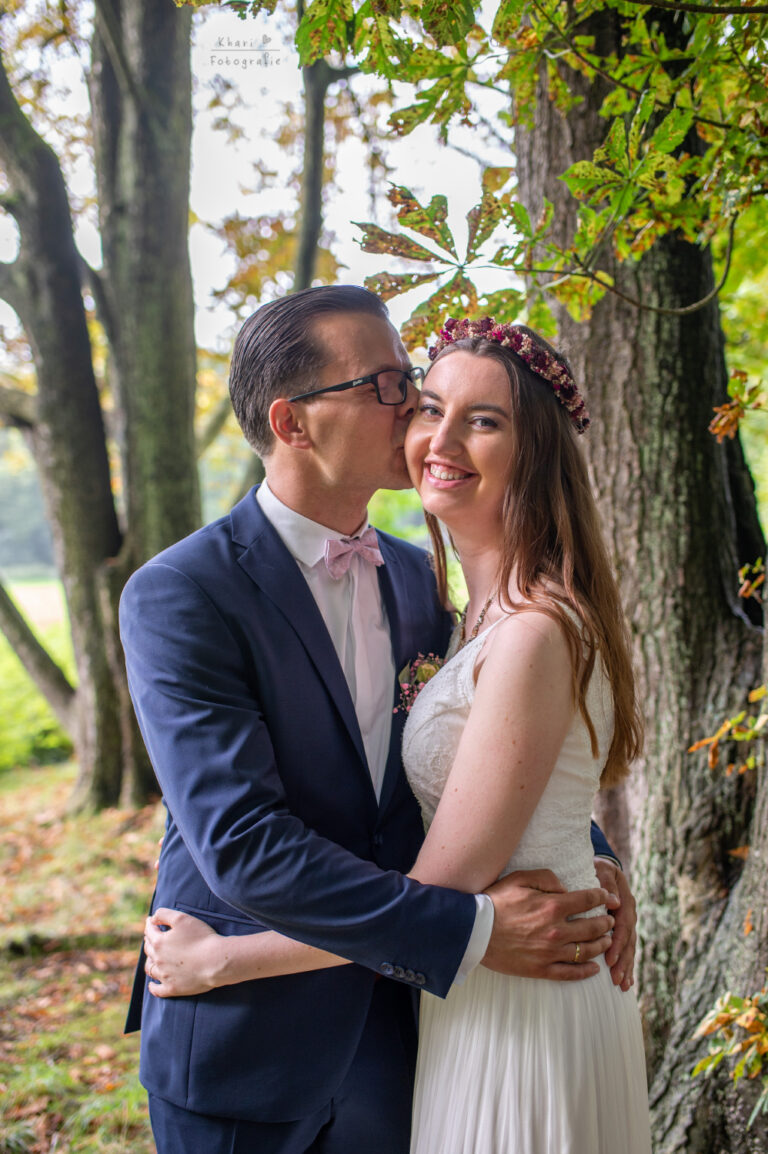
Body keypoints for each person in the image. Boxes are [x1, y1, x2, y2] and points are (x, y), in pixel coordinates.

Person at [122, 288, 635, 1154]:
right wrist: (473, 930)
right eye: (392, 386)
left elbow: (492, 757)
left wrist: (591, 860)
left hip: (406, 1033)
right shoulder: (181, 593)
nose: (412, 408)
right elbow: (244, 843)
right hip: (246, 1038)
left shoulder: (419, 585)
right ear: (294, 423)